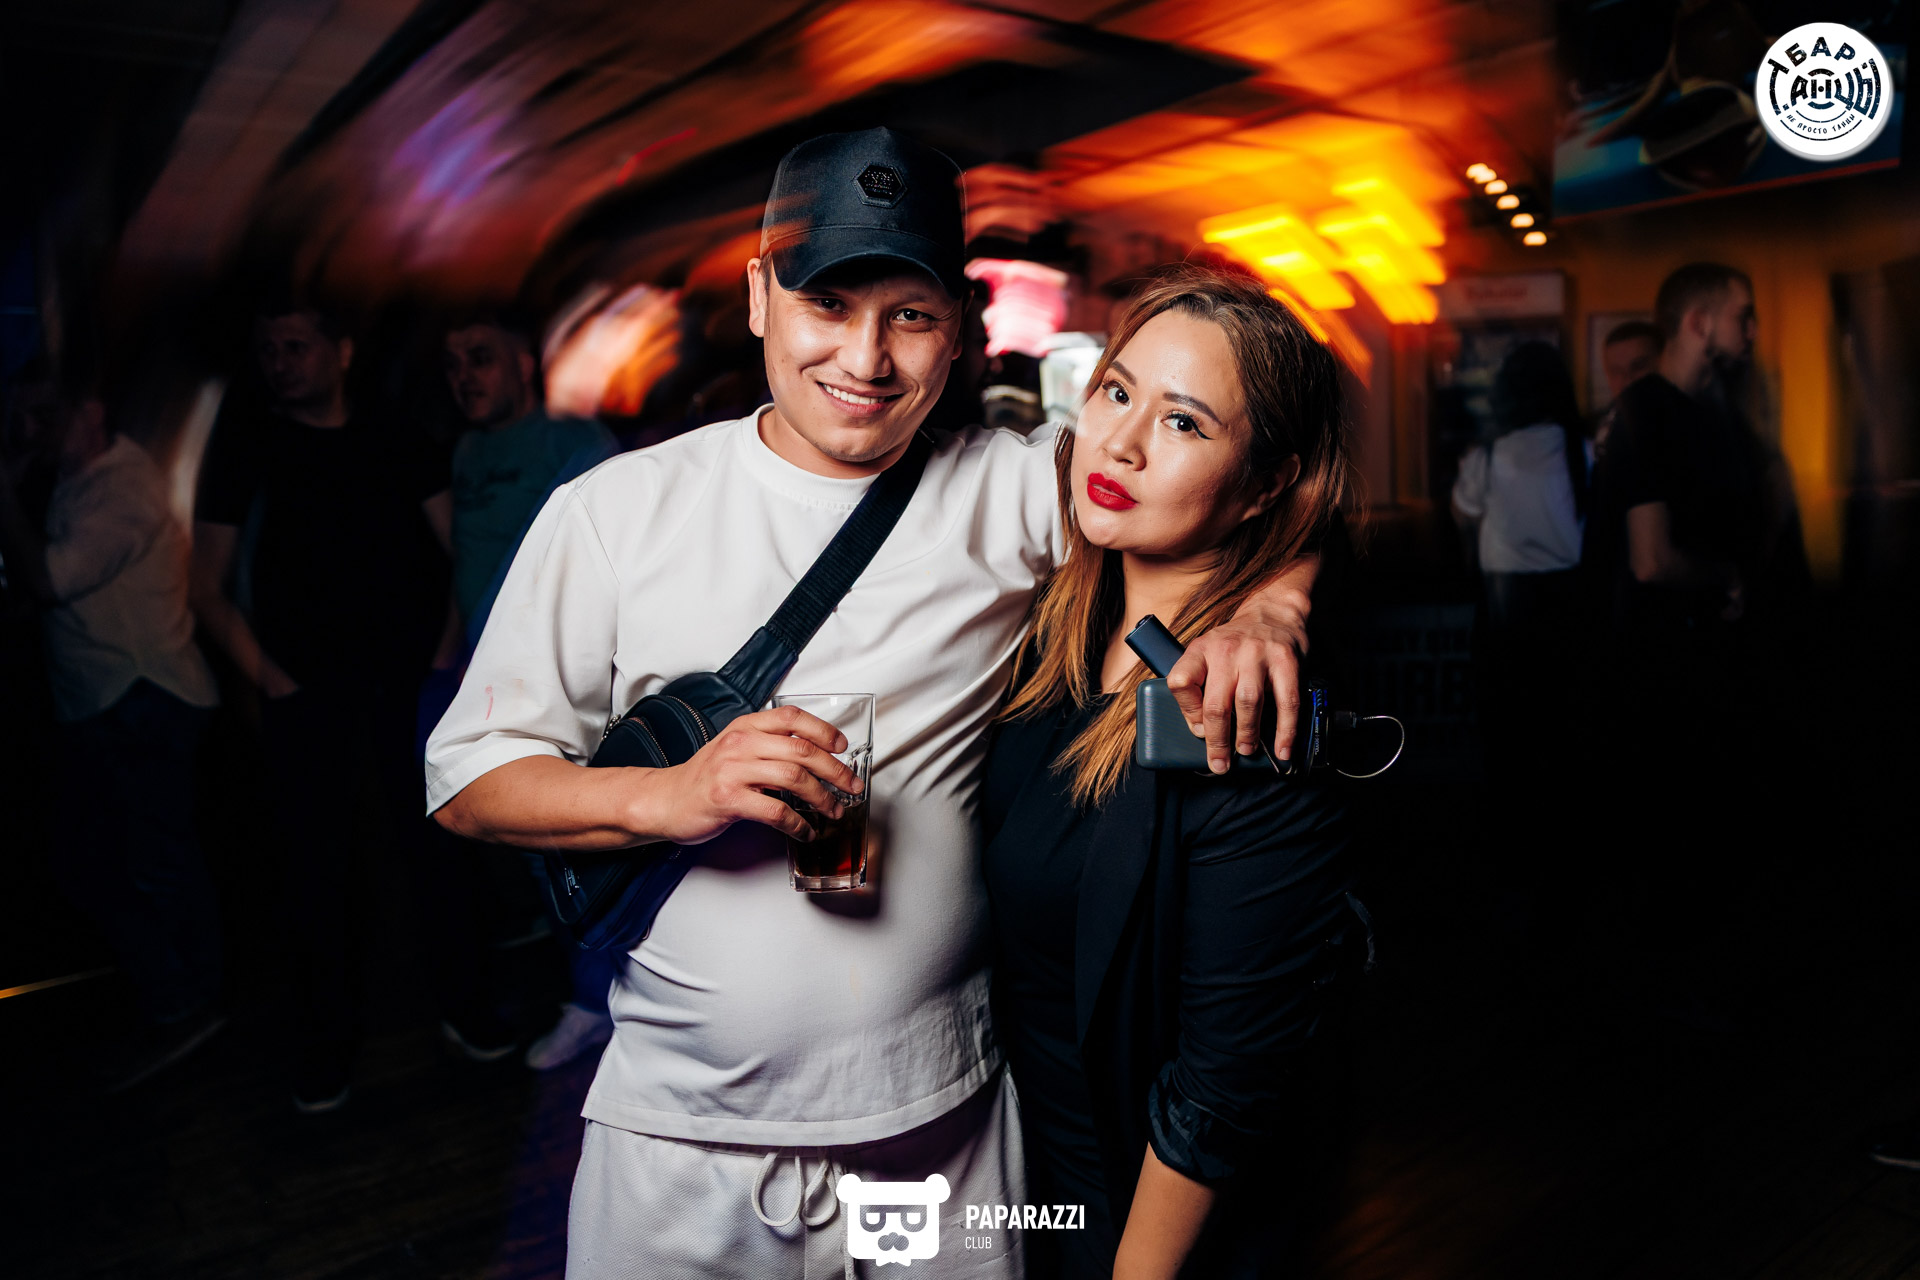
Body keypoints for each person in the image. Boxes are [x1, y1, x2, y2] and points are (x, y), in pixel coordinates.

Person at [426, 128, 1318, 1278]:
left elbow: (1237, 484)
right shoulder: (615, 511)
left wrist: (1273, 609)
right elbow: (469, 778)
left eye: (910, 315)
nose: (866, 357)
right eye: (828, 304)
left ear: (961, 328)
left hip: (939, 1135)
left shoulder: (1010, 486)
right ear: (761, 295)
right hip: (684, 1139)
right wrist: (672, 794)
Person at [982, 264, 1358, 1279]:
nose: (1123, 442)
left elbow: (1221, 1095)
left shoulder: (1241, 714)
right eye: (1117, 390)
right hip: (1010, 1186)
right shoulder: (1054, 627)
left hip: (1129, 1218)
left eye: (1185, 421)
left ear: (1267, 483)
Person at [191, 298, 514, 1114]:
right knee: (316, 870)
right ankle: (325, 1047)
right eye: (269, 348)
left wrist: (445, 655)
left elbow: (459, 552)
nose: (279, 361)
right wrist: (271, 679)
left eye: (295, 345)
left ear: (340, 352)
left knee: (440, 851)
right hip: (306, 698)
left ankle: (467, 1009)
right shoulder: (248, 447)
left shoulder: (397, 436)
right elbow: (205, 586)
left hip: (410, 687)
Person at [0, 365, 225, 1091]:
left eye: (43, 415)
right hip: (111, 703)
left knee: (145, 865)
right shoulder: (79, 479)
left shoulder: (121, 487)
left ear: (90, 412)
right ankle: (183, 998)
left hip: (142, 700)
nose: (28, 431)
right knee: (106, 863)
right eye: (20, 417)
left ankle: (191, 1003)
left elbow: (53, 580)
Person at [1580, 262, 1791, 1025]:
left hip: (1697, 666)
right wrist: (1725, 576)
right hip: (1656, 674)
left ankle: (1696, 999)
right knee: (1672, 843)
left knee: (1701, 841)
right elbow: (1650, 559)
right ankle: (1665, 1014)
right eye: (1742, 314)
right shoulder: (1648, 411)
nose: (1752, 331)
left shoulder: (1704, 413)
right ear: (1699, 322)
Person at [440, 308, 619, 1072]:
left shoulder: (575, 443)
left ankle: (601, 1004)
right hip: (491, 684)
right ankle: (592, 994)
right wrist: (451, 663)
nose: (464, 377)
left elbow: (613, 561)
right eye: (453, 365)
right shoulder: (468, 450)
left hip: (568, 683)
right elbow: (466, 564)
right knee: (536, 853)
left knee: (578, 847)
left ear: (522, 364)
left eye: (480, 357)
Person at [1593, 320, 1662, 450]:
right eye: (1616, 372)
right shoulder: (1606, 425)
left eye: (1639, 366)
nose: (1628, 380)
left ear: (1663, 363)